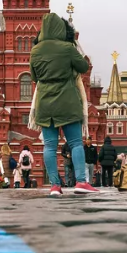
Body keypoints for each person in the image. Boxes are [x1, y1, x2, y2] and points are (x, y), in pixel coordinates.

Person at [30, 13, 97, 196]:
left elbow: (34, 77)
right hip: (67, 100)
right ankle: (81, 182)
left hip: (45, 102)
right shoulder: (67, 48)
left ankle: (54, 186)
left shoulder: (35, 50)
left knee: (49, 146)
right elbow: (83, 68)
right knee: (75, 143)